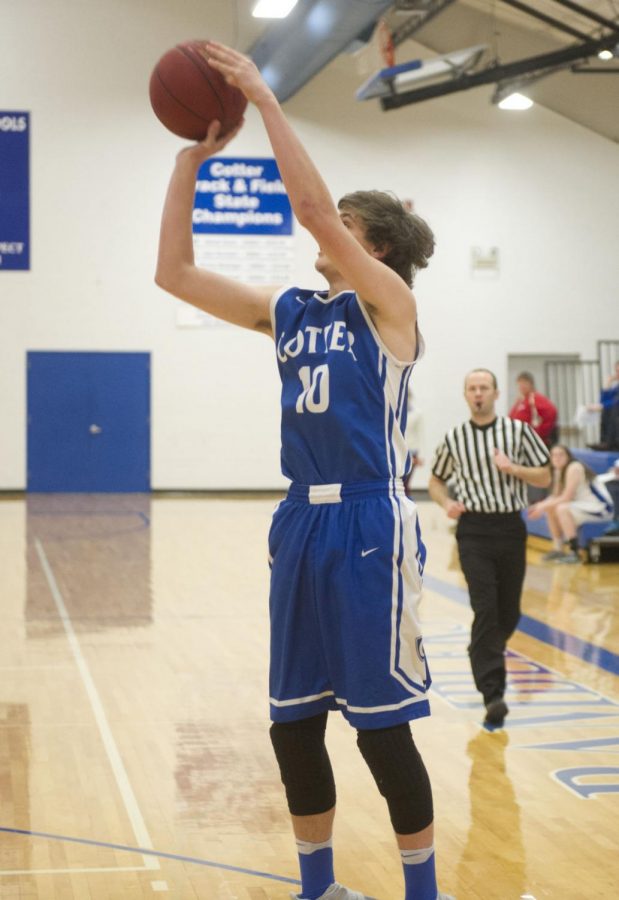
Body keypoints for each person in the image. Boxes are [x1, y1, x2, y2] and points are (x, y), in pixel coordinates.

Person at [155, 40, 453, 900]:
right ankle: (318, 886)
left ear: (378, 246)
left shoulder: (392, 307)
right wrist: (188, 166)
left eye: (346, 229)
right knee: (292, 728)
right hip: (300, 520)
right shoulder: (289, 312)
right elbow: (171, 273)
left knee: (381, 734)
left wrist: (264, 98)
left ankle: (421, 892)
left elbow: (315, 212)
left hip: (368, 520)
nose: (322, 233)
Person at [428, 369, 551, 728]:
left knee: (508, 612)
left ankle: (481, 650)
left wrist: (514, 468)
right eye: (472, 388)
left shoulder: (518, 431)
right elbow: (435, 480)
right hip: (474, 530)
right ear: (465, 395)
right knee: (485, 606)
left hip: (511, 527)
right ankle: (492, 693)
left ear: (496, 394)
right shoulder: (454, 437)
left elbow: (544, 475)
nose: (478, 393)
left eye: (484, 388)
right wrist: (444, 503)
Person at [528, 444, 614, 563]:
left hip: (601, 508)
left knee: (562, 508)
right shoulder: (558, 470)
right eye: (553, 455)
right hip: (583, 506)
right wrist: (539, 506)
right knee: (551, 508)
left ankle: (575, 552)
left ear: (568, 456)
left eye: (560, 455)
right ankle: (558, 549)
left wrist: (542, 506)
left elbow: (566, 497)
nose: (557, 458)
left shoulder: (574, 467)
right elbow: (555, 496)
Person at [508, 371, 558, 448]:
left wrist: (539, 433)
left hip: (533, 442)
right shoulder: (521, 400)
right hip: (520, 441)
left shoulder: (536, 398)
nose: (521, 386)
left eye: (524, 383)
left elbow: (551, 412)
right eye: (520, 384)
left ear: (531, 384)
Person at [587, 361, 619, 451]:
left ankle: (609, 443)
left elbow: (614, 403)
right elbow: (603, 401)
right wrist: (607, 383)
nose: (617, 374)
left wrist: (603, 406)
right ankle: (606, 442)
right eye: (616, 371)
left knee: (612, 410)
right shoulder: (616, 387)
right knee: (608, 410)